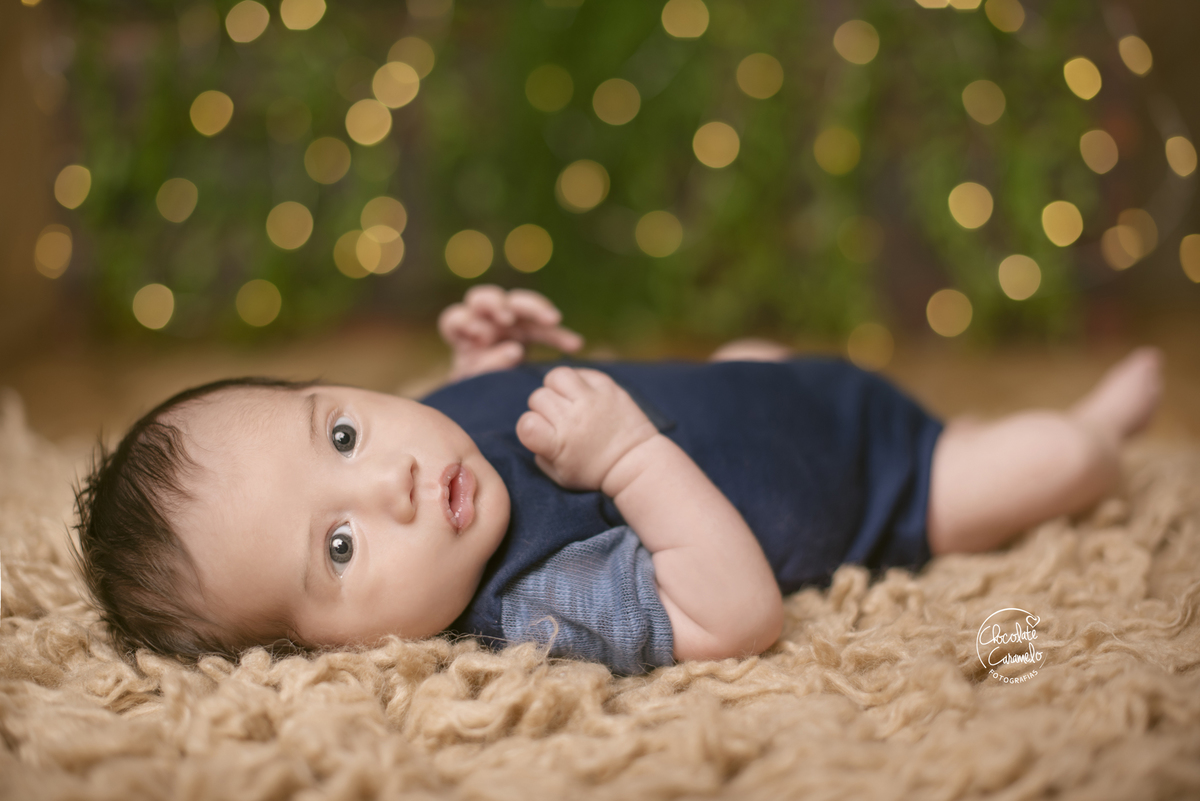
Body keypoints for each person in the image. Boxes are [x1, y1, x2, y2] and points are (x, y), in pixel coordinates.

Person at [73, 286, 1163, 674]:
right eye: (339, 549)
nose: (393, 485)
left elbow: (428, 423)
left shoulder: (425, 445)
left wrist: (478, 365)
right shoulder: (539, 602)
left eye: (342, 434)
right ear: (329, 653)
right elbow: (736, 619)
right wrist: (631, 458)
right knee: (1047, 463)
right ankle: (1095, 434)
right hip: (892, 483)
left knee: (745, 357)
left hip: (777, 397)